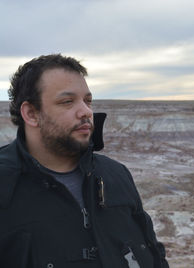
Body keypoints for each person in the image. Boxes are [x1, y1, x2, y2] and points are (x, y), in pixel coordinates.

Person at [0, 54, 169, 267]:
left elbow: (154, 255)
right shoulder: (5, 185)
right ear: (32, 114)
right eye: (67, 101)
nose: (86, 111)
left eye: (87, 101)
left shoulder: (116, 175)